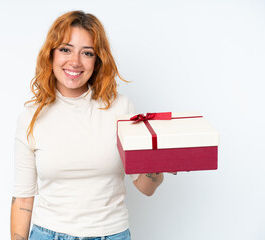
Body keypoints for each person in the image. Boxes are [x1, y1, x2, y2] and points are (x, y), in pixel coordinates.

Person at [10, 10, 166, 240]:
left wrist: (156, 166)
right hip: (48, 234)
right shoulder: (32, 117)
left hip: (111, 234)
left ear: (97, 60)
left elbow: (145, 187)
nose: (75, 61)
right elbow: (23, 198)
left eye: (87, 53)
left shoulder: (121, 109)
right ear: (51, 54)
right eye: (65, 49)